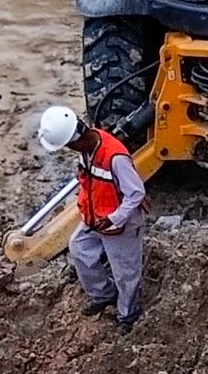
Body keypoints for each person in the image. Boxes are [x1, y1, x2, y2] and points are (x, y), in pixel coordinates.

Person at [37, 105, 146, 333]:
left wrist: (116, 218)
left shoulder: (115, 158)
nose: (68, 149)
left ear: (76, 139)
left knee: (126, 273)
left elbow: (136, 193)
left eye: (68, 146)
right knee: (79, 248)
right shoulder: (87, 150)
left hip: (120, 225)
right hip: (96, 218)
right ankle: (104, 293)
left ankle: (128, 314)